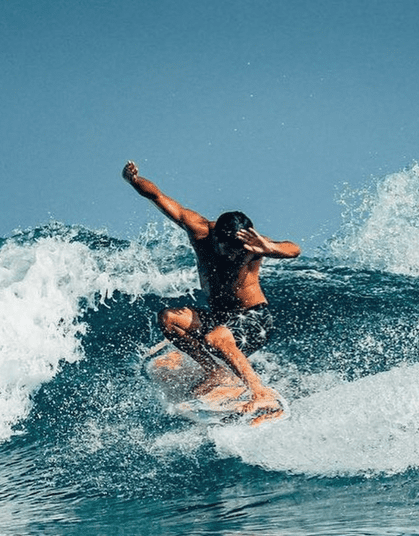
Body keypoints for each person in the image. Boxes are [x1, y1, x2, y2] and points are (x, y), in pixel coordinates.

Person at [122, 161, 301, 413]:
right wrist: (133, 180)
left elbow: (293, 249)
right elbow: (157, 196)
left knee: (216, 337)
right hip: (220, 317)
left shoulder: (250, 246)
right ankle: (216, 373)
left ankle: (261, 394)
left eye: (238, 249)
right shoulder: (199, 230)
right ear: (215, 236)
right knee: (169, 319)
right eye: (228, 249)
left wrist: (269, 248)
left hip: (255, 318)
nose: (233, 255)